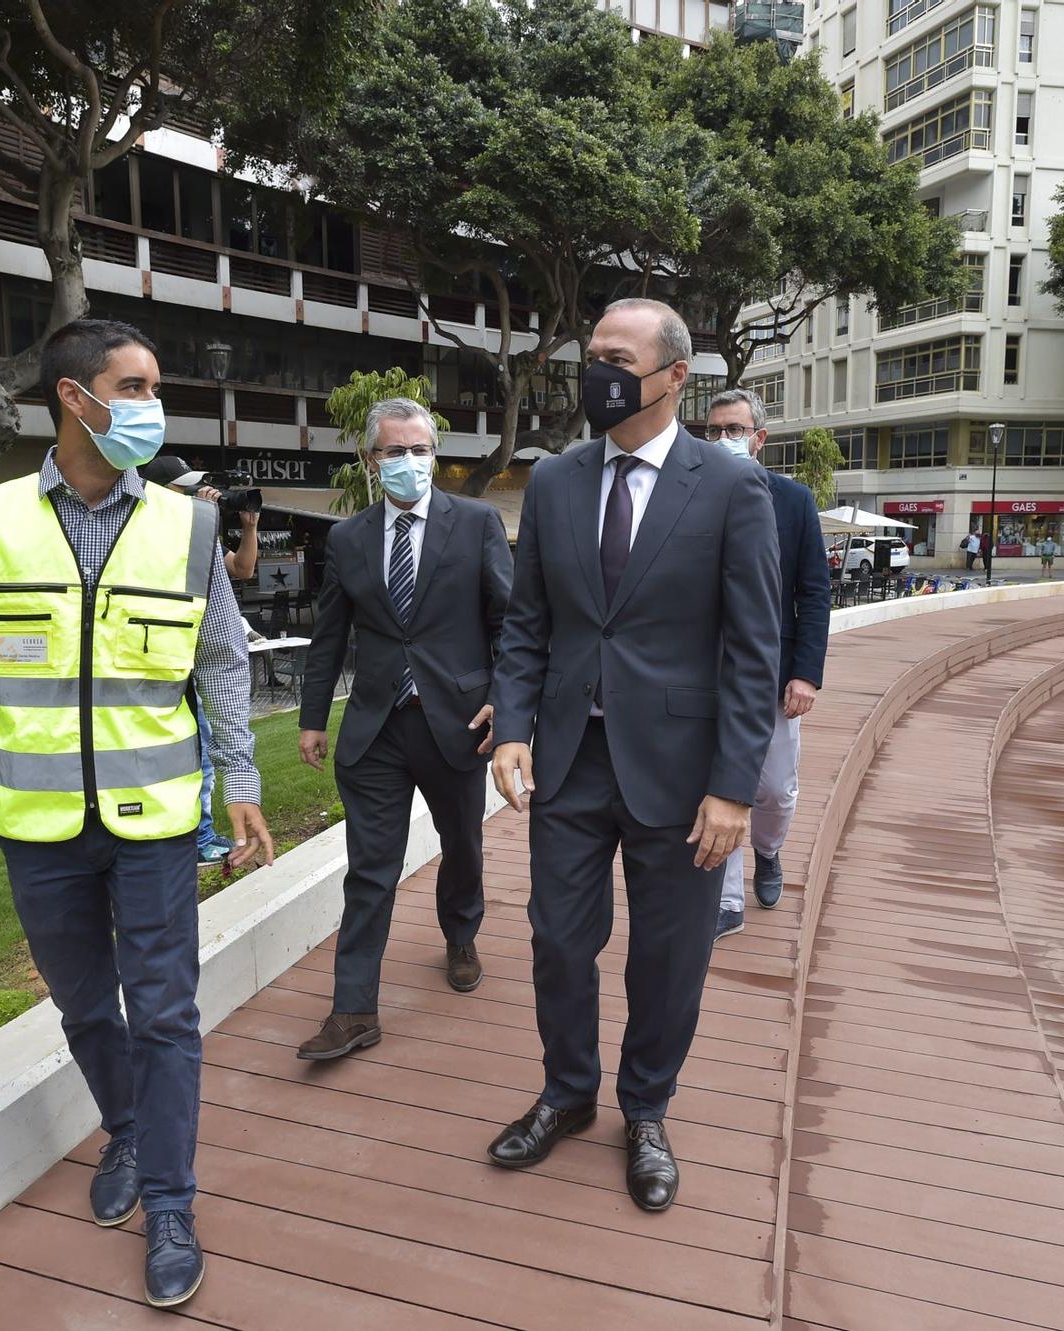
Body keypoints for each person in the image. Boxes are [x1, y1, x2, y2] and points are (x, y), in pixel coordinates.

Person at [0, 319, 276, 1310]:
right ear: (70, 396)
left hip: (156, 821)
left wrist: (242, 779)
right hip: (39, 824)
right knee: (86, 1003)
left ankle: (172, 1203)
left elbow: (220, 658)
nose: (149, 402)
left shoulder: (185, 526)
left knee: (167, 1008)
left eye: (152, 385)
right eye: (131, 385)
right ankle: (126, 1128)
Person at [486, 298, 780, 1214]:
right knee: (558, 941)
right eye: (592, 354)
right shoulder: (556, 481)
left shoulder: (731, 487)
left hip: (686, 775)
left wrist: (735, 788)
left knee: (669, 954)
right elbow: (528, 623)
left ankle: (646, 1108)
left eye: (616, 356)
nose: (596, 372)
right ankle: (567, 1092)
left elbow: (752, 647)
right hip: (571, 760)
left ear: (674, 376)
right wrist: (513, 726)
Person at [295, 398, 513, 1060]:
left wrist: (506, 701)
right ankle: (354, 1008)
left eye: (421, 449)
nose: (410, 461)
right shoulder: (347, 538)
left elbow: (510, 621)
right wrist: (310, 717)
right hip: (375, 731)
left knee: (462, 846)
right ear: (371, 460)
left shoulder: (476, 524)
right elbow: (329, 634)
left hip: (457, 724)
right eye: (395, 450)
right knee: (370, 869)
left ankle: (460, 931)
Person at [703, 388, 830, 937]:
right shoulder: (688, 494)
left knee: (774, 789)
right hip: (704, 674)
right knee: (719, 782)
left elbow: (815, 591)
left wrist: (805, 672)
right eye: (714, 431)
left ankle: (769, 849)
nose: (723, 440)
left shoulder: (793, 499)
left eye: (735, 430)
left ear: (760, 438)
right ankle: (726, 900)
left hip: (773, 675)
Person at [141, 456, 262, 868]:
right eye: (184, 490)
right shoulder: (149, 535)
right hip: (162, 669)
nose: (194, 495)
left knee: (202, 752)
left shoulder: (195, 531)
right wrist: (201, 520)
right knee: (191, 756)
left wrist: (248, 528)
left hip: (197, 664)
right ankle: (198, 838)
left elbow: (242, 568)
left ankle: (198, 833)